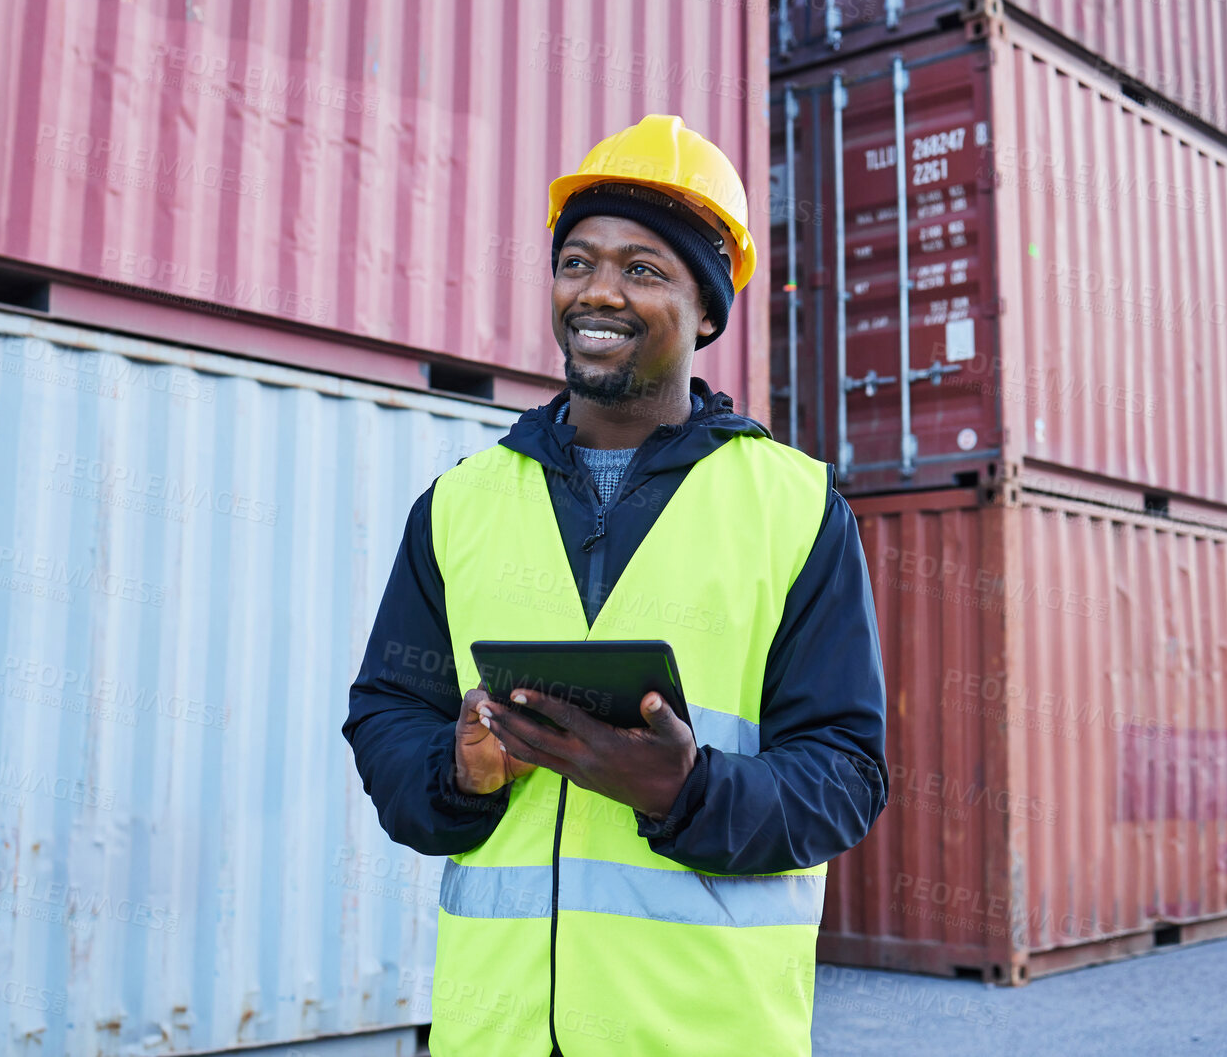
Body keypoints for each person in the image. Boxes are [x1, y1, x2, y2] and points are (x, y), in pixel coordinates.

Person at [342, 115, 887, 1056]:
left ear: (707, 310)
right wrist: (459, 770)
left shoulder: (795, 508)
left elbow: (847, 772)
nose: (600, 291)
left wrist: (686, 789)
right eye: (577, 262)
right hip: (497, 1034)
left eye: (643, 268)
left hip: (705, 1036)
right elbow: (385, 711)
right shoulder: (458, 506)